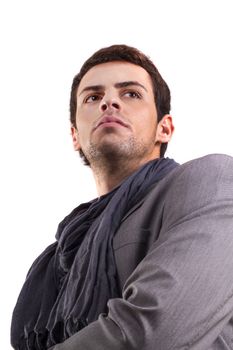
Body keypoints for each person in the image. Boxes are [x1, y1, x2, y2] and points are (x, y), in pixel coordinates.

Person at [11, 44, 233, 350]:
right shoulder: (56, 258)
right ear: (75, 135)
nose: (109, 102)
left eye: (130, 93)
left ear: (164, 128)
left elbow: (153, 333)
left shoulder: (213, 179)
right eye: (93, 97)